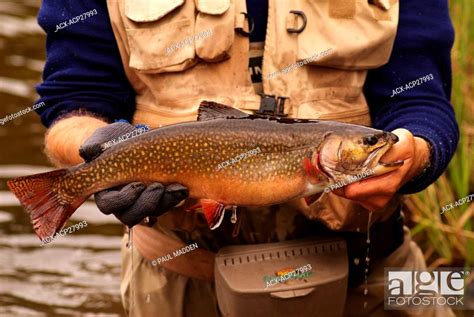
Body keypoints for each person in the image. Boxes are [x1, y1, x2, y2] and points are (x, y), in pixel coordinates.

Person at [35, 0, 458, 316]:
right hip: (179, 278)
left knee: (448, 293)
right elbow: (72, 102)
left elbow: (423, 98)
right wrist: (102, 151)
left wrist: (417, 153)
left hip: (376, 269)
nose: (375, 147)